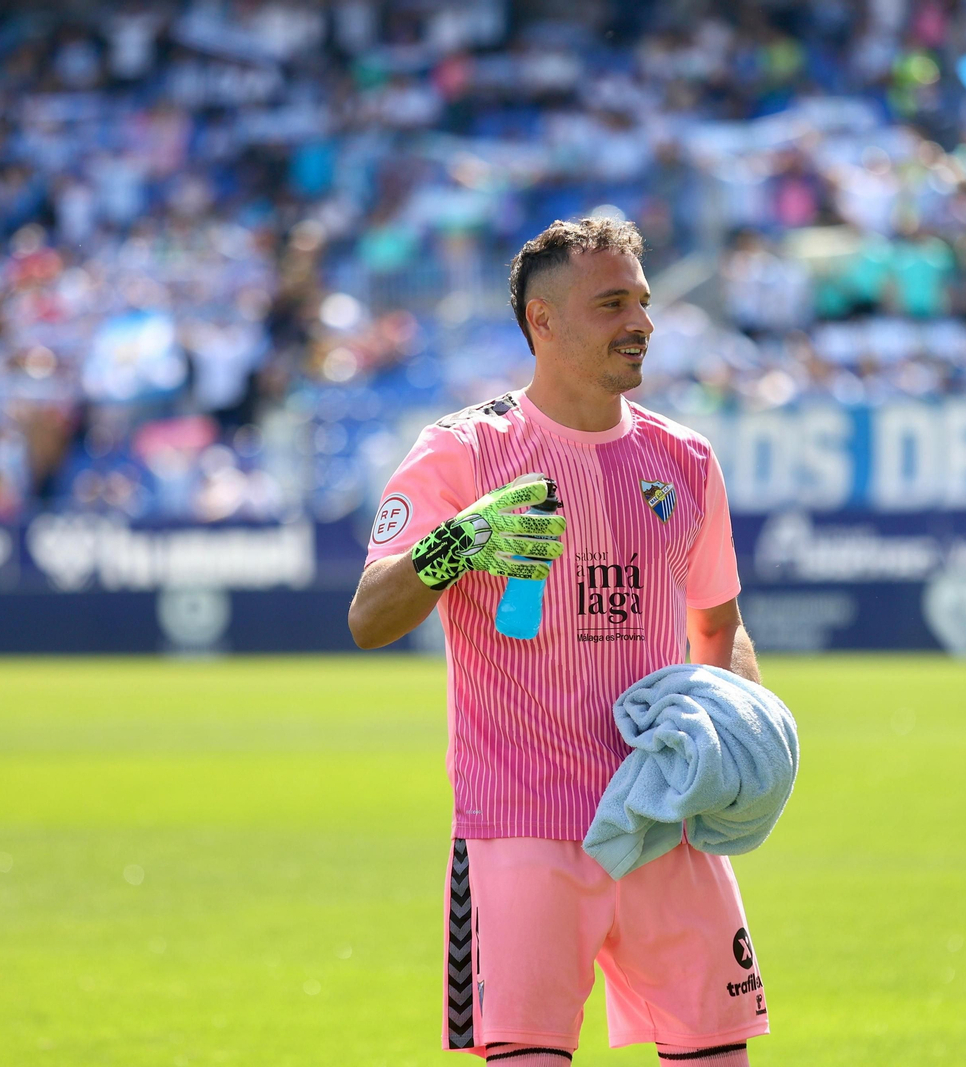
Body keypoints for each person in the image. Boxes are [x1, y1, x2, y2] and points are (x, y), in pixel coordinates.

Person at [348, 217, 767, 1065]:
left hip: (661, 819)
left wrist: (738, 739)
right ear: (544, 322)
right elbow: (369, 617)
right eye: (611, 303)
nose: (640, 322)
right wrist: (459, 541)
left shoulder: (684, 458)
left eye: (642, 302)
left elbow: (717, 621)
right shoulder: (465, 451)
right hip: (520, 830)